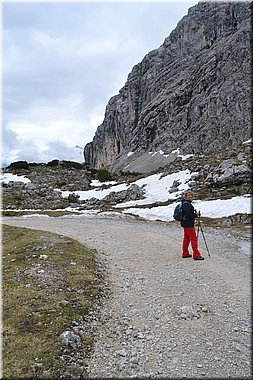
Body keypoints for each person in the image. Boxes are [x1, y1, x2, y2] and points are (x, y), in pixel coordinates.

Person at [180, 190, 204, 260]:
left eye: (191, 195)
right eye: (188, 195)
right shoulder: (186, 204)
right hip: (189, 224)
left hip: (185, 223)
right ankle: (196, 255)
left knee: (186, 239)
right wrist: (196, 215)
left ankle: (185, 253)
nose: (190, 196)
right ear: (185, 196)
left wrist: (194, 215)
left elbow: (187, 214)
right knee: (193, 239)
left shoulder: (184, 203)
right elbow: (189, 215)